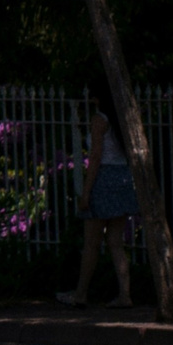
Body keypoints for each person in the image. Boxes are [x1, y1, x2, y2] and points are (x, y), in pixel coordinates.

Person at [59, 86, 139, 308]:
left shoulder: (99, 120)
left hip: (103, 178)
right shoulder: (122, 120)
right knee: (116, 242)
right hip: (122, 177)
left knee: (91, 243)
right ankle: (125, 294)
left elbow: (95, 157)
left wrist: (86, 192)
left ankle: (81, 293)